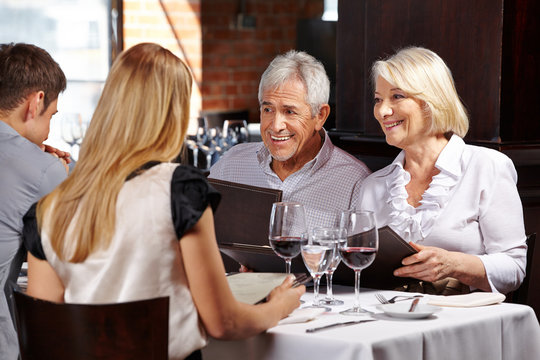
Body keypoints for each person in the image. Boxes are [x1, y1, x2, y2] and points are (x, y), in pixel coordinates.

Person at [22, 43, 304, 360]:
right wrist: (278, 307)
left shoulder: (48, 210)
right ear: (173, 113)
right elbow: (223, 322)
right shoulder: (179, 191)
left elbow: (46, 336)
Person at [358, 46, 527, 294]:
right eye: (378, 99)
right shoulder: (373, 186)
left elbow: (514, 269)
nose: (382, 111)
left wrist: (453, 264)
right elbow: (357, 269)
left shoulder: (487, 166)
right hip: (386, 319)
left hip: (462, 322)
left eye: (397, 96)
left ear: (431, 101)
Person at [209, 50, 371, 229]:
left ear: (320, 116)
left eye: (290, 112)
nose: (276, 125)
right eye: (268, 110)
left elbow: (364, 255)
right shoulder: (232, 163)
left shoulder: (355, 181)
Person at [0, 42, 70, 359]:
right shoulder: (43, 169)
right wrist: (59, 169)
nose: (48, 131)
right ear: (36, 102)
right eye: (51, 116)